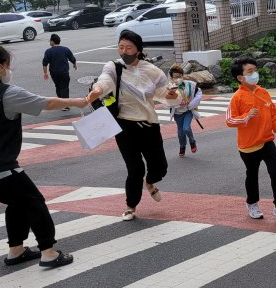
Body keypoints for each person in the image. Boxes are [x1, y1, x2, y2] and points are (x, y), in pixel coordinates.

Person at [0, 45, 99, 267]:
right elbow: (46, 103)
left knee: (17, 202)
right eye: (8, 65)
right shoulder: (6, 93)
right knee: (34, 201)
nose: (10, 70)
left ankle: (16, 251)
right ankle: (49, 252)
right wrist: (79, 101)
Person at [88, 30, 178, 221]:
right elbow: (105, 81)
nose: (124, 51)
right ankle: (131, 206)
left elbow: (164, 92)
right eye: (121, 47)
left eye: (129, 48)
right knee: (135, 169)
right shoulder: (113, 67)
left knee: (160, 167)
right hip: (124, 126)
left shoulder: (152, 70)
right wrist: (97, 90)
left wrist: (171, 95)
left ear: (138, 50)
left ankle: (150, 182)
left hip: (149, 125)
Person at [225, 57, 276, 223]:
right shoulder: (237, 97)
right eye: (250, 71)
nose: (254, 74)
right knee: (252, 174)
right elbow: (229, 120)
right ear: (240, 77)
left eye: (255, 70)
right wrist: (246, 116)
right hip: (248, 145)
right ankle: (252, 203)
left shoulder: (263, 92)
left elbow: (274, 115)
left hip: (267, 141)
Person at [167, 64, 202, 157]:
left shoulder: (190, 84)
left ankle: (192, 142)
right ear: (171, 77)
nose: (178, 78)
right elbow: (166, 101)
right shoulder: (169, 87)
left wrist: (191, 105)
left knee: (186, 128)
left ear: (182, 75)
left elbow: (198, 93)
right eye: (175, 77)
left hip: (188, 111)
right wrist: (177, 102)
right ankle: (182, 147)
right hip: (177, 113)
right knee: (180, 132)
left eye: (180, 76)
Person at [42, 34, 77, 110]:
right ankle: (65, 105)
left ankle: (61, 104)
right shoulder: (65, 49)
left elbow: (45, 63)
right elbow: (72, 58)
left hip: (54, 73)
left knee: (58, 87)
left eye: (50, 41)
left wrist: (45, 73)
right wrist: (74, 64)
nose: (50, 42)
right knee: (64, 88)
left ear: (52, 41)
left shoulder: (48, 51)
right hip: (64, 72)